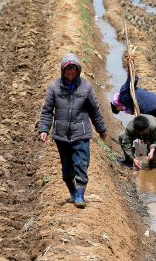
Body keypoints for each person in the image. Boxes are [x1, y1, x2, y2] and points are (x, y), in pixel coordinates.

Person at [38, 53, 107, 209]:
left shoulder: (86, 87)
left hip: (81, 133)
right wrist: (44, 129)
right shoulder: (54, 87)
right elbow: (47, 110)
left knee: (81, 164)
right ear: (63, 71)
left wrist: (101, 128)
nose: (70, 73)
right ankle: (73, 192)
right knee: (67, 170)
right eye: (67, 70)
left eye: (73, 70)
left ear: (78, 71)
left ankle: (80, 195)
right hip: (62, 135)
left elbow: (94, 110)